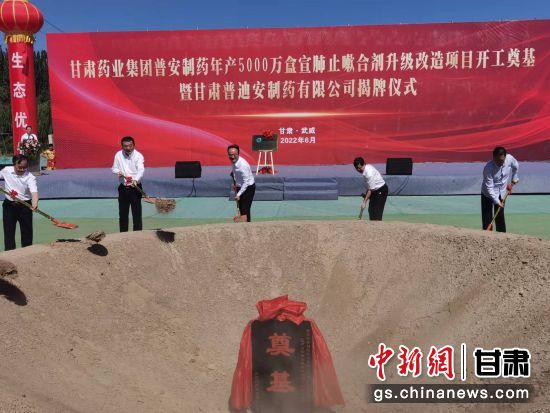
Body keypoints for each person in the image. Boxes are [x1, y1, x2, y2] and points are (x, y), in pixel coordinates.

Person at [1, 154, 39, 250]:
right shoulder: (6, 170)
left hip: (25, 207)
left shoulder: (30, 177)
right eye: (20, 167)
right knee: (8, 232)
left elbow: (34, 192)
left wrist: (35, 204)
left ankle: (27, 253)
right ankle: (10, 253)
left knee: (27, 232)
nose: (22, 169)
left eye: (25, 167)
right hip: (9, 206)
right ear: (14, 164)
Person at [481, 146, 519, 232]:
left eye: (501, 160)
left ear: (505, 157)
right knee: (487, 216)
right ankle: (486, 235)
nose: (499, 163)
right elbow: (489, 188)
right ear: (493, 157)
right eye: (497, 160)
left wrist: (514, 178)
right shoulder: (488, 168)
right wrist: (497, 202)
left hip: (501, 192)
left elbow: (516, 166)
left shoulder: (509, 159)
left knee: (500, 216)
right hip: (487, 194)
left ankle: (502, 235)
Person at [111, 136, 144, 232]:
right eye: (126, 146)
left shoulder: (139, 156)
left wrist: (135, 180)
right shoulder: (118, 155)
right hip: (123, 188)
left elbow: (141, 170)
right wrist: (118, 172)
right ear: (122, 146)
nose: (128, 148)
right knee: (123, 214)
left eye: (130, 145)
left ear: (134, 145)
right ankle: (123, 235)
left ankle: (137, 235)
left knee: (136, 214)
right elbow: (114, 168)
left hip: (135, 188)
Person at [228, 144, 255, 222]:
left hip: (248, 188)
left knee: (245, 209)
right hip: (240, 186)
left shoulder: (243, 165)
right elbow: (235, 171)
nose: (232, 156)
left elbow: (246, 182)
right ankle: (243, 224)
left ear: (238, 154)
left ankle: (247, 224)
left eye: (234, 154)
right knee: (241, 208)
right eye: (230, 155)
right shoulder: (234, 161)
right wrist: (235, 180)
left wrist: (238, 194)